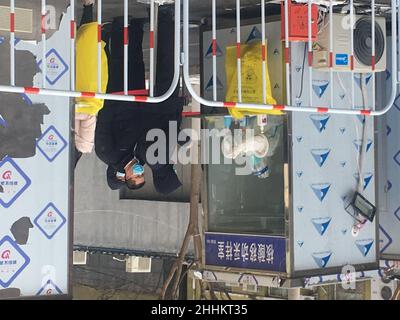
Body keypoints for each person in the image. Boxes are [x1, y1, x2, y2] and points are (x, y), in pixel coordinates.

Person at [95, 4, 184, 194]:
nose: (139, 172)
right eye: (141, 175)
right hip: (139, 103)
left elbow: (103, 122)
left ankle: (123, 27)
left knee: (122, 65)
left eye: (135, 176)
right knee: (136, 63)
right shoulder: (142, 155)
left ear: (125, 176)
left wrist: (114, 102)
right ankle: (135, 27)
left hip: (119, 101)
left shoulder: (108, 154)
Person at [74, 0, 109, 167]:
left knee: (81, 47)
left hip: (80, 94)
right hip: (85, 93)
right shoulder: (83, 144)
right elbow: (89, 118)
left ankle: (87, 8)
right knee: (85, 46)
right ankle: (89, 7)